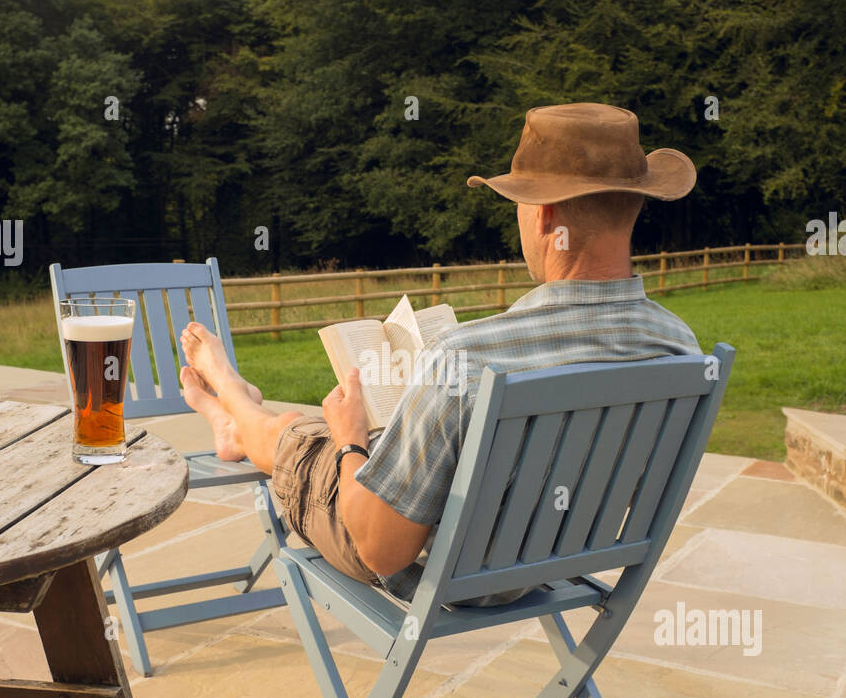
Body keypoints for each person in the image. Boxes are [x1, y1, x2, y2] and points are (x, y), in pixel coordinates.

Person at [179, 102, 702, 603]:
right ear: (633, 206)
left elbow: (381, 550)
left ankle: (231, 404)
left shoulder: (468, 358)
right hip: (553, 558)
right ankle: (238, 417)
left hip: (450, 576)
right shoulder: (680, 348)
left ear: (542, 217)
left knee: (297, 433)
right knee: (365, 436)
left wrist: (350, 442)